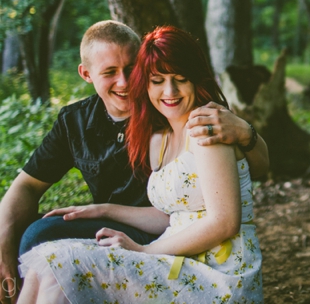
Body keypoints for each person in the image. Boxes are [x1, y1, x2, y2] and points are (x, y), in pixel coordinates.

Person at [0, 21, 269, 303]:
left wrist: (246, 132)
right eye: (109, 73)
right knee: (43, 253)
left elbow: (237, 200)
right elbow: (171, 214)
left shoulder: (200, 123)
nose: (125, 83)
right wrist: (98, 209)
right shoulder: (154, 136)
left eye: (131, 70)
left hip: (204, 265)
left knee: (56, 258)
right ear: (86, 74)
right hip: (171, 251)